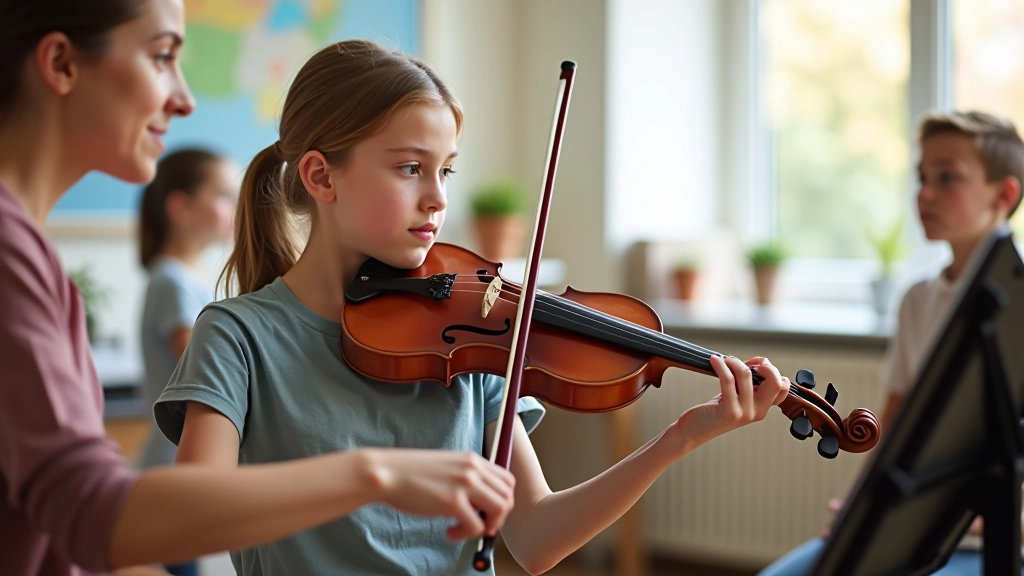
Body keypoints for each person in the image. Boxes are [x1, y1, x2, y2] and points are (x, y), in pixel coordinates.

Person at [153, 37, 792, 576]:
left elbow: (535, 537)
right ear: (321, 177)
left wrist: (679, 439)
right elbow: (183, 521)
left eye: (445, 172)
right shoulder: (239, 336)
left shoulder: (469, 338)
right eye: (409, 168)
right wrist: (368, 475)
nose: (436, 199)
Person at [0, 2, 532, 574]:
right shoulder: (16, 254)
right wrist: (374, 473)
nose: (185, 99)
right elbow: (94, 512)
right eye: (162, 56)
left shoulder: (38, 266)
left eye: (445, 170)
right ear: (61, 64)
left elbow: (64, 531)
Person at [757, 110, 1024, 576]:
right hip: (913, 528)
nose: (924, 193)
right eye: (922, 177)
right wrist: (862, 510)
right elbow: (896, 424)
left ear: (1004, 194)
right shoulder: (917, 300)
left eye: (947, 177)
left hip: (997, 539)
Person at [136, 148, 238, 576]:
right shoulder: (172, 281)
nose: (234, 208)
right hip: (172, 467)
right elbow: (209, 371)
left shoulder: (189, 280)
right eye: (223, 195)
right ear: (179, 207)